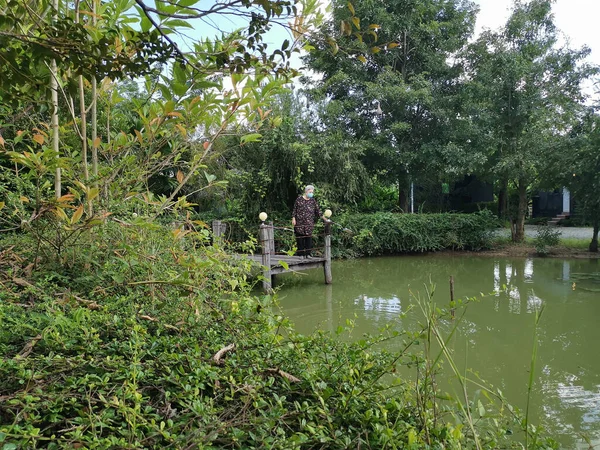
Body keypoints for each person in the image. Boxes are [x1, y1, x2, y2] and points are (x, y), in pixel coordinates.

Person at [292, 185, 326, 258]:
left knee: (308, 239)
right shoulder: (299, 199)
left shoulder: (313, 201)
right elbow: (294, 210)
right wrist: (293, 218)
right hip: (299, 223)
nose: (311, 193)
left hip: (309, 223)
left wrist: (324, 218)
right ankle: (301, 255)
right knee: (300, 239)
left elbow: (318, 211)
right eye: (310, 192)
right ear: (306, 191)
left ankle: (308, 254)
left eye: (312, 192)